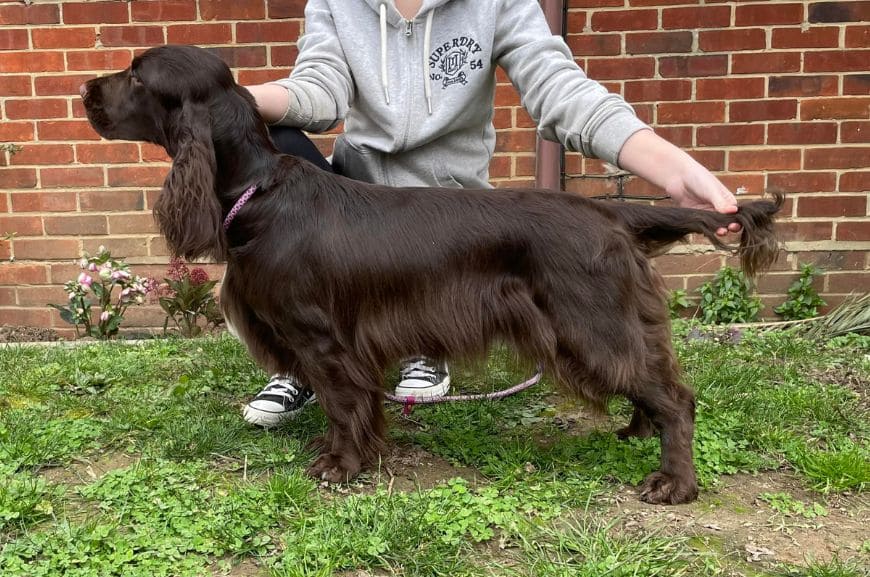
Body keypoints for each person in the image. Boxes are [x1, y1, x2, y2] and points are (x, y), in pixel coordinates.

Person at [240, 0, 741, 428]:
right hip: (363, 209)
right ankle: (301, 357)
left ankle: (424, 344)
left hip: (452, 215)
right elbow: (319, 89)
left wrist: (675, 169)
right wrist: (235, 101)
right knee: (276, 137)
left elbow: (560, 90)